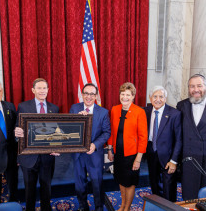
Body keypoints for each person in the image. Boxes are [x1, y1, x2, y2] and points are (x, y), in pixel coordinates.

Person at [14, 78, 59, 211]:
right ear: (33, 90)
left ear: (48, 90)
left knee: (46, 188)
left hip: (47, 156)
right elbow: (17, 127)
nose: (42, 91)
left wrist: (57, 146)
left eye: (44, 88)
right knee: (29, 189)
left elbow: (56, 131)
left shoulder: (54, 108)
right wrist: (16, 134)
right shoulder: (23, 106)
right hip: (28, 157)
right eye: (39, 88)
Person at [69, 83, 111, 211]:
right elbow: (68, 128)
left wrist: (95, 144)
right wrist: (77, 120)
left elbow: (106, 132)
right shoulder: (74, 108)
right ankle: (83, 206)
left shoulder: (103, 112)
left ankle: (98, 207)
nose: (88, 97)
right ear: (82, 94)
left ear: (96, 95)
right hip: (78, 154)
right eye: (86, 93)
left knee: (97, 183)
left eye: (92, 94)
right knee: (80, 184)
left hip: (94, 154)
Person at [107, 82, 147, 211]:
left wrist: (138, 158)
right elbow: (112, 131)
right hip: (118, 153)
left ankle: (127, 208)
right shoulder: (114, 109)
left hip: (132, 155)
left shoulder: (139, 111)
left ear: (133, 96)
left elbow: (143, 137)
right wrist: (109, 149)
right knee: (121, 180)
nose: (125, 97)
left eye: (128, 95)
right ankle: (123, 205)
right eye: (122, 94)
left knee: (129, 183)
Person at [144, 86, 182, 202]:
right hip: (152, 153)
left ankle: (170, 208)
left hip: (168, 157)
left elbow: (179, 139)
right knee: (154, 184)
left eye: (161, 96)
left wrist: (174, 161)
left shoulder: (174, 114)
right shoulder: (146, 111)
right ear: (150, 98)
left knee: (168, 187)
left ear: (165, 99)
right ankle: (157, 205)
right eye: (155, 96)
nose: (158, 99)